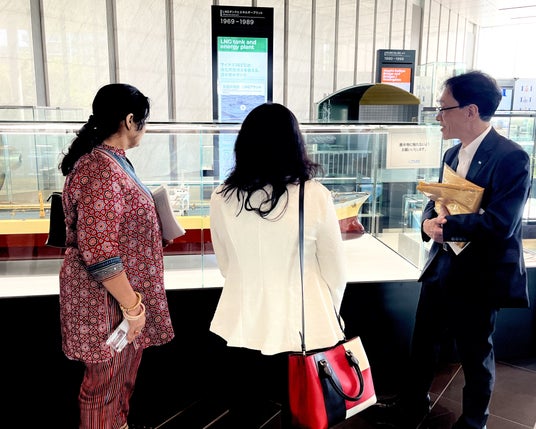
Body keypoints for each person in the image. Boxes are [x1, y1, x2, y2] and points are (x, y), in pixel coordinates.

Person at [375, 70, 531, 429]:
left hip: (480, 273)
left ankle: (474, 421)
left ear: (470, 111)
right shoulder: (452, 152)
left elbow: (502, 223)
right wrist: (428, 223)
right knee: (424, 340)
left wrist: (446, 228)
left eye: (443, 108)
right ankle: (412, 403)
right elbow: (437, 200)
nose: (438, 117)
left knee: (475, 351)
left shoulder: (512, 157)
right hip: (443, 264)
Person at [209, 102, 347, 426]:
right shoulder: (315, 195)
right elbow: (335, 270)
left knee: (245, 410)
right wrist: (331, 312)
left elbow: (225, 265)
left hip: (242, 320)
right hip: (302, 324)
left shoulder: (221, 197)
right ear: (294, 143)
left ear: (244, 145)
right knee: (302, 411)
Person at [58, 83, 175, 429]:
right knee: (104, 386)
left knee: (119, 381)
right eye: (143, 121)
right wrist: (133, 308)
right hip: (107, 302)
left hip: (117, 298)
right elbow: (99, 250)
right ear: (129, 120)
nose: (144, 129)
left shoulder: (112, 162)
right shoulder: (100, 169)